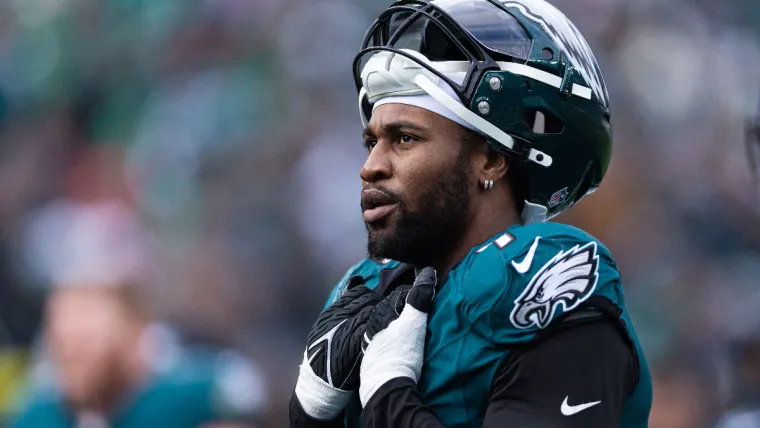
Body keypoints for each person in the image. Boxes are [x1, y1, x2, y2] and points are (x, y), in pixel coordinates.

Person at [289, 0, 653, 427]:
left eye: (405, 139)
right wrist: (310, 413)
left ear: (491, 160)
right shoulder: (367, 293)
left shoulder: (540, 280)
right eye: (372, 142)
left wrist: (389, 395)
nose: (371, 166)